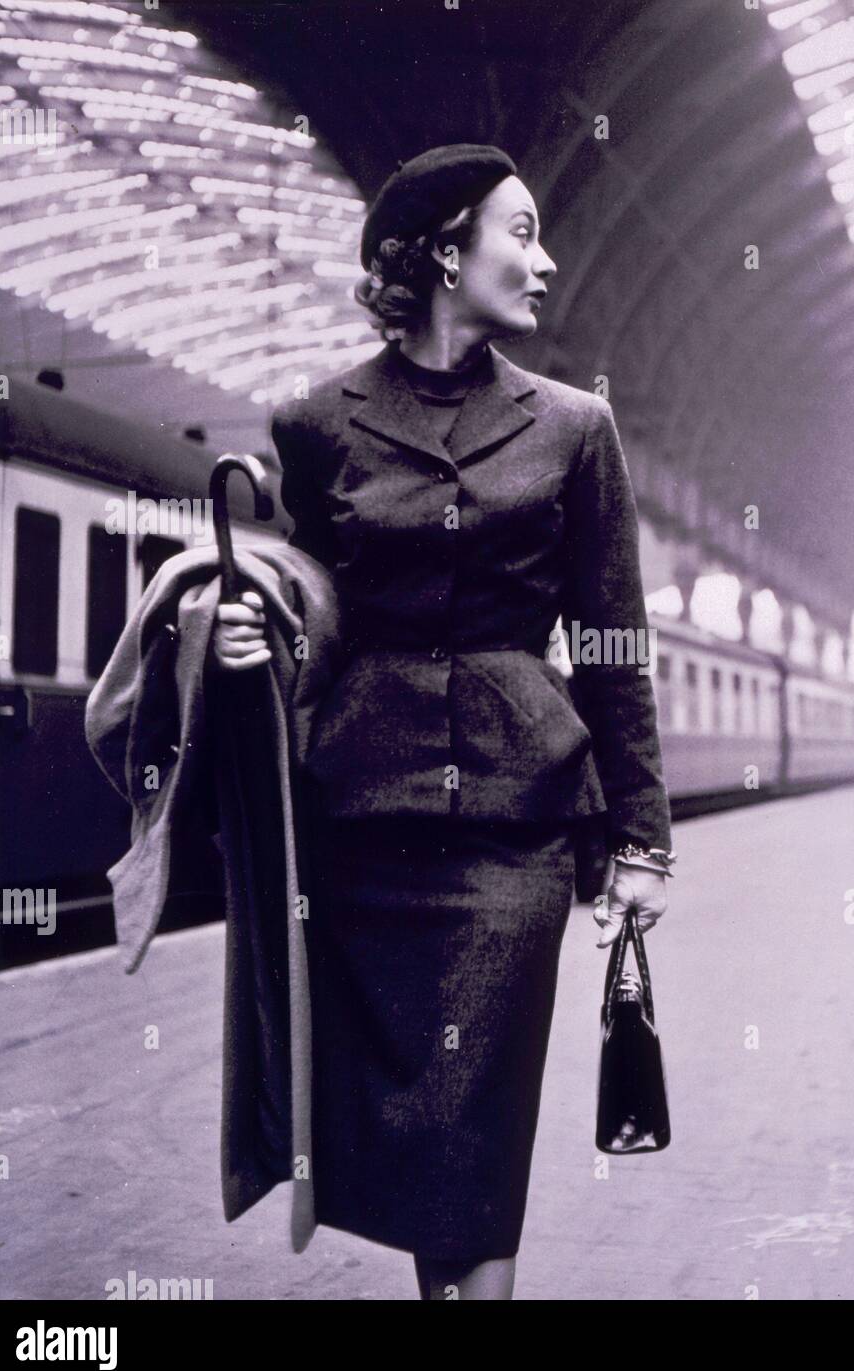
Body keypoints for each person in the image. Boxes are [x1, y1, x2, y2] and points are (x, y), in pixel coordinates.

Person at [212, 144, 674, 1296]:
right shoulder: (315, 426)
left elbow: (613, 644)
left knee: (474, 1137)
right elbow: (315, 616)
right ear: (441, 252)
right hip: (361, 831)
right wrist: (250, 649)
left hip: (515, 835)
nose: (545, 259)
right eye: (519, 233)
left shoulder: (574, 429)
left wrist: (642, 836)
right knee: (420, 1150)